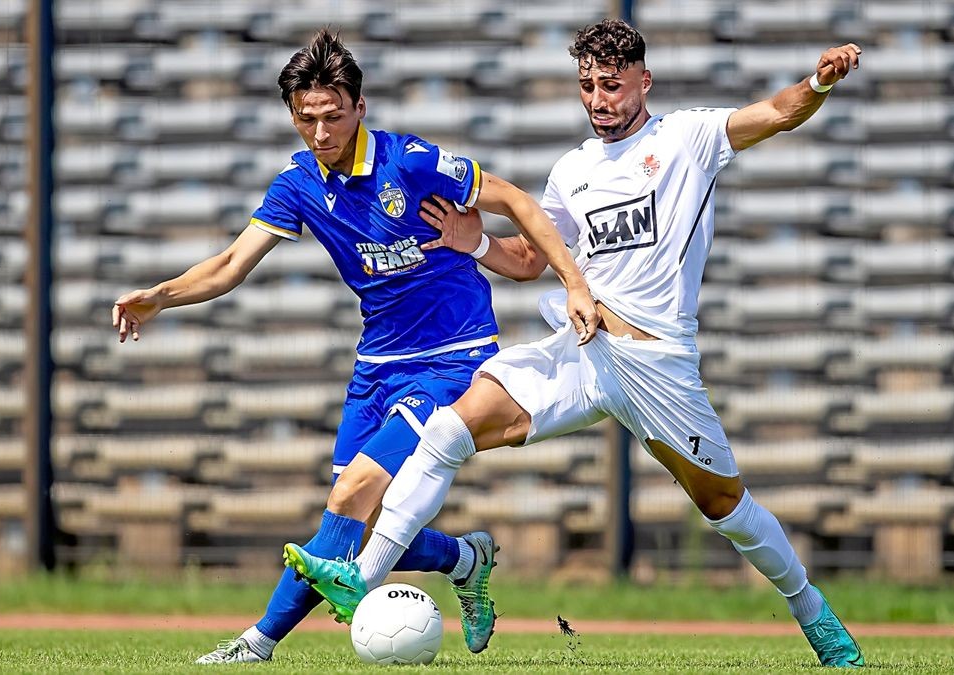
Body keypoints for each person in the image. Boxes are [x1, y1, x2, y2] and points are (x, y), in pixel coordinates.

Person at [286, 19, 866, 668]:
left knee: (724, 506)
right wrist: (471, 241)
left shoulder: (688, 139)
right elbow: (532, 259)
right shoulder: (573, 171)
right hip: (583, 351)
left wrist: (819, 81)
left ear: (643, 82)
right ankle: (363, 576)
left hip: (656, 365)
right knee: (449, 426)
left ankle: (813, 610)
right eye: (587, 85)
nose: (598, 99)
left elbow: (781, 112)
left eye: (612, 85)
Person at [110, 30, 598, 663]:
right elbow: (231, 264)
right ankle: (463, 558)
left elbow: (517, 202)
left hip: (453, 355)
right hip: (376, 365)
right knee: (357, 524)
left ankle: (256, 644)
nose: (319, 131)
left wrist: (573, 281)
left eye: (332, 116)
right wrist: (161, 295)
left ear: (359, 108)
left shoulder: (410, 161)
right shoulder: (297, 185)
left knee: (348, 498)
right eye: (305, 118)